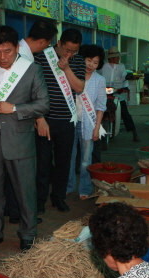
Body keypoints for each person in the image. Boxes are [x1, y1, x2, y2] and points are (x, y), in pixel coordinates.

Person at [0, 26, 49, 252]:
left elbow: (43, 104)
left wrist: (14, 108)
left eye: (7, 51)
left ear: (17, 48)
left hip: (20, 140)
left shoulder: (31, 70)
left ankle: (28, 234)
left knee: (25, 191)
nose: (2, 57)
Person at [6, 19, 57, 224]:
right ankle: (21, 212)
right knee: (23, 170)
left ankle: (14, 211)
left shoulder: (20, 51)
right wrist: (40, 117)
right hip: (20, 121)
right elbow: (29, 96)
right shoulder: (24, 58)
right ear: (43, 42)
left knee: (13, 168)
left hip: (13, 119)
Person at [34, 28, 85, 214]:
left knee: (64, 163)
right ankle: (39, 201)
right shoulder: (41, 57)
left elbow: (79, 87)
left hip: (67, 120)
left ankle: (59, 198)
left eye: (73, 51)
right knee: (43, 164)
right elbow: (33, 88)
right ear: (59, 43)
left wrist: (66, 68)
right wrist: (38, 118)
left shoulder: (78, 61)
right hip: (46, 120)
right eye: (66, 50)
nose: (69, 54)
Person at [68, 45, 106, 200]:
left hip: (89, 124)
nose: (91, 65)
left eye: (95, 62)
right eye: (89, 60)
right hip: (71, 122)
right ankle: (68, 186)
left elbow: (100, 106)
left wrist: (97, 128)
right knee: (69, 157)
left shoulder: (99, 80)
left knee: (86, 159)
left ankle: (85, 188)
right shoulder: (72, 75)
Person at [98, 46, 140, 142]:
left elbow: (124, 76)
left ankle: (134, 133)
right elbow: (97, 76)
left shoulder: (121, 67)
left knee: (125, 113)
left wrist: (124, 86)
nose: (118, 58)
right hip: (103, 93)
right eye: (117, 57)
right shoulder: (103, 67)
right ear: (111, 58)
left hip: (117, 92)